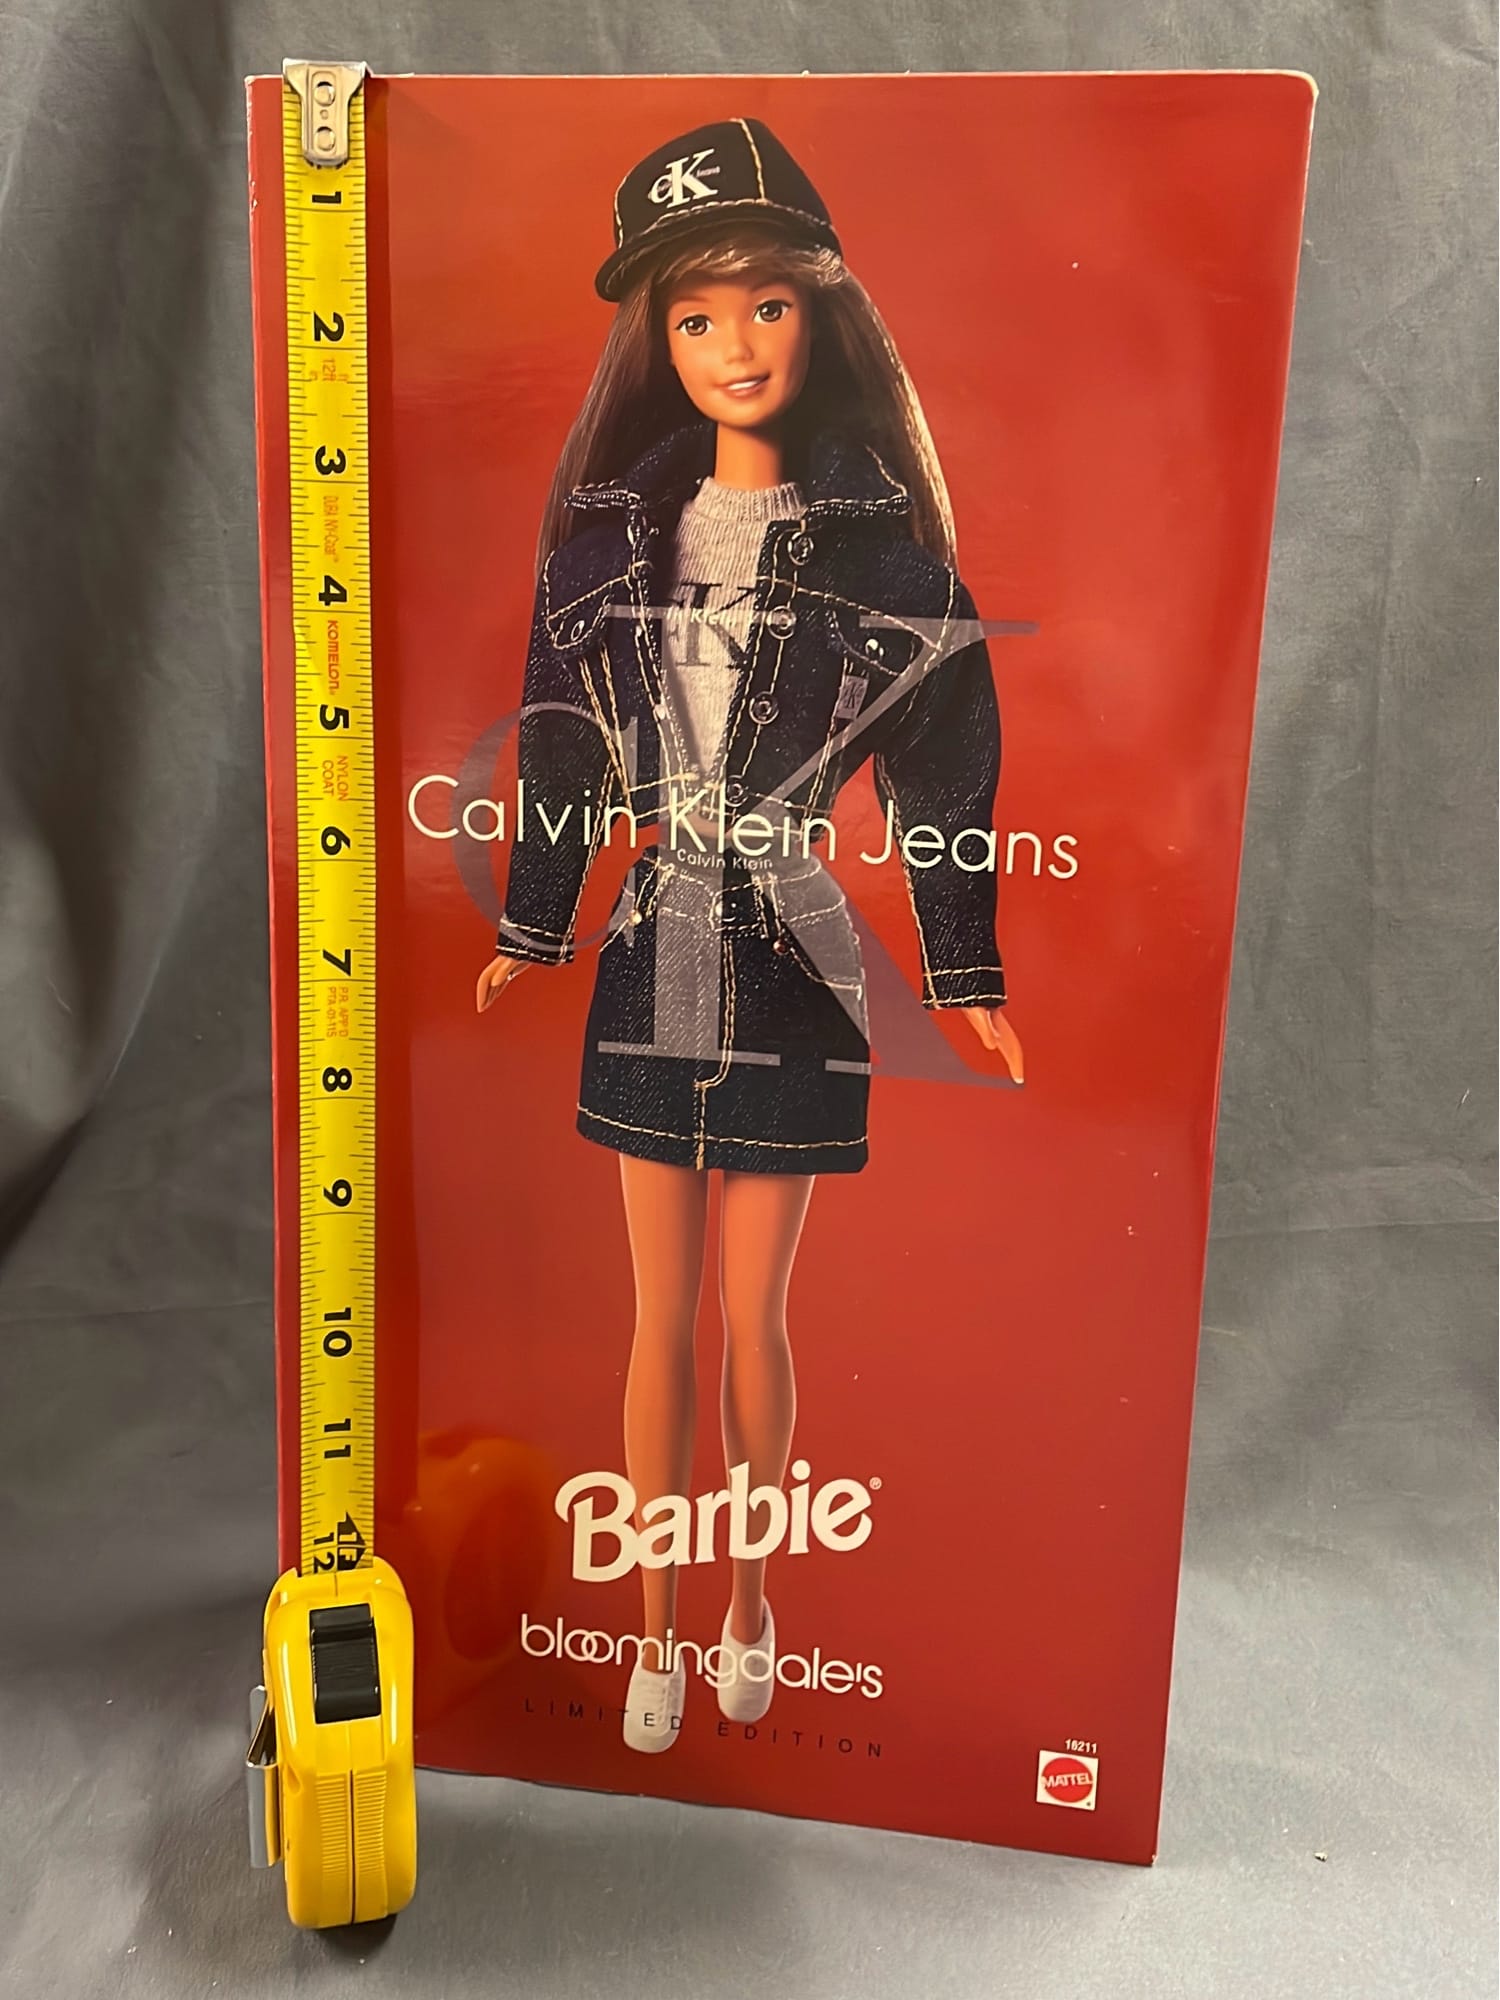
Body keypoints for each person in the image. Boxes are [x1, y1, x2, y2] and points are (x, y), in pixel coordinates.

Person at [475, 117, 1022, 1752]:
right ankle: (655, 1627)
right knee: (659, 1320)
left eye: (767, 304)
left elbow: (948, 768)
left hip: (792, 954)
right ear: (656, 339)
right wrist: (534, 923)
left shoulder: (889, 558)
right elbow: (560, 752)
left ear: (822, 312)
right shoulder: (600, 547)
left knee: (754, 1320)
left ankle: (752, 1602)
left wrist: (966, 969)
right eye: (697, 315)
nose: (736, 344)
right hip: (653, 943)